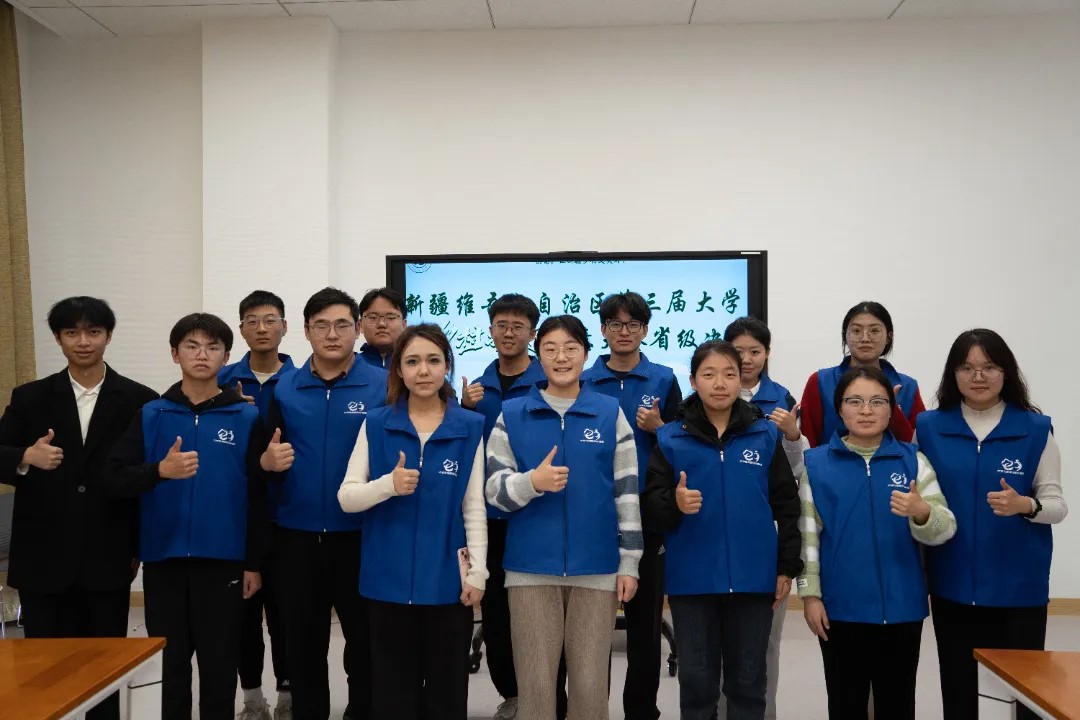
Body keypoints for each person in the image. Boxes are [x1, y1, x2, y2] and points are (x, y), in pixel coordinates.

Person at [0, 296, 157, 720]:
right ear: (58, 338)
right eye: (72, 332)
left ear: (108, 336)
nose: (83, 341)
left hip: (109, 551)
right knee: (43, 670)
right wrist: (25, 456)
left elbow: (147, 477)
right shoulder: (30, 397)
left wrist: (137, 547)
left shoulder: (141, 399)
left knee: (103, 664)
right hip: (43, 555)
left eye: (93, 332)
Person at [107, 313, 268, 720]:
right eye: (192, 346)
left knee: (219, 663)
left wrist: (253, 562)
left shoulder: (246, 417)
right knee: (171, 664)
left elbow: (259, 494)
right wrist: (158, 470)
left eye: (213, 347)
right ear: (174, 353)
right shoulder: (151, 414)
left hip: (225, 560)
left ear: (226, 356)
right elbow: (114, 477)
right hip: (164, 558)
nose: (202, 354)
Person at [486, 314, 641, 720]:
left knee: (590, 689)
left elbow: (627, 494)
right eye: (550, 349)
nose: (561, 357)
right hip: (529, 571)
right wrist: (531, 482)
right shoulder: (512, 413)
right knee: (536, 688)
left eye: (571, 348)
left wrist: (630, 563)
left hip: (597, 569)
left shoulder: (609, 413)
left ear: (586, 354)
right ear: (538, 356)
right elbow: (494, 492)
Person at [641, 340, 801, 720]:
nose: (720, 383)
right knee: (697, 684)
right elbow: (651, 505)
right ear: (693, 380)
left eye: (729, 374)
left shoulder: (764, 435)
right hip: (692, 582)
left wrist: (786, 566)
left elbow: (786, 504)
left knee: (748, 683)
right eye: (709, 374)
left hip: (753, 580)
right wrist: (674, 503)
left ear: (740, 380)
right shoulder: (670, 438)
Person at [916, 329, 1068, 720]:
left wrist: (1025, 505)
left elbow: (1056, 505)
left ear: (1006, 372)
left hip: (1018, 589)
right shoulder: (928, 428)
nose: (978, 377)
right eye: (967, 368)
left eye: (989, 367)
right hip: (951, 585)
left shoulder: (1036, 429)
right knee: (959, 688)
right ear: (953, 374)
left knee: (1022, 694)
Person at [338, 324, 487, 720]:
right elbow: (347, 498)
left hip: (448, 586)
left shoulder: (470, 427)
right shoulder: (376, 423)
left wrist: (478, 573)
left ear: (447, 367)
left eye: (433, 360)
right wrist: (387, 485)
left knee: (446, 695)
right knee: (393, 696)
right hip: (386, 584)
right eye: (413, 361)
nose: (423, 370)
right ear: (399, 371)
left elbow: (474, 507)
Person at [797, 366, 956, 720]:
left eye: (877, 402)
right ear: (840, 409)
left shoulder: (913, 462)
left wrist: (922, 513)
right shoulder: (816, 465)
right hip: (840, 609)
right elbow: (807, 536)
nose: (866, 410)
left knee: (897, 704)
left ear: (891, 409)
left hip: (903, 607)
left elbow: (945, 529)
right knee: (846, 703)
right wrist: (810, 595)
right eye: (854, 401)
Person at [260, 287, 388, 720]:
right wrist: (266, 461)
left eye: (341, 325)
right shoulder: (286, 388)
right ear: (306, 331)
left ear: (357, 328)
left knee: (364, 640)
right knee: (302, 642)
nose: (332, 335)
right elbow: (264, 455)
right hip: (296, 536)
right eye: (321, 326)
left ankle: (362, 712)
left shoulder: (383, 385)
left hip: (363, 534)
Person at [458, 293, 560, 720]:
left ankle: (552, 697)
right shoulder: (476, 389)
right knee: (497, 612)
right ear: (490, 329)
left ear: (532, 334)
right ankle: (513, 695)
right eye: (501, 324)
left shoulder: (549, 381)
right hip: (488, 518)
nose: (509, 332)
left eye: (518, 326)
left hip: (535, 513)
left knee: (543, 612)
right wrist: (463, 410)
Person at [581, 291, 681, 720]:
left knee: (644, 621)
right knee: (592, 626)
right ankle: (592, 708)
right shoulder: (584, 380)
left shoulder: (664, 379)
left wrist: (661, 429)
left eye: (633, 324)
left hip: (647, 510)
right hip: (596, 511)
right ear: (603, 330)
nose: (624, 332)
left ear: (645, 330)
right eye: (615, 324)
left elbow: (683, 444)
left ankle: (642, 710)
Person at [720, 317, 806, 720]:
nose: (747, 359)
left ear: (767, 354)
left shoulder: (782, 399)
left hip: (766, 537)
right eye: (738, 351)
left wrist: (792, 435)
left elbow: (795, 474)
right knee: (718, 645)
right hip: (718, 535)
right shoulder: (706, 395)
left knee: (764, 645)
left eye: (755, 351)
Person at [218, 290, 295, 720]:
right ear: (241, 328)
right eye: (252, 320)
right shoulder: (221, 381)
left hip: (287, 515)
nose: (262, 328)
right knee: (241, 614)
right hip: (237, 516)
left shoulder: (302, 381)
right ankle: (251, 698)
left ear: (285, 327)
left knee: (286, 613)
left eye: (270, 320)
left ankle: (287, 694)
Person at [800, 301, 925, 447]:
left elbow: (917, 445)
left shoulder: (907, 386)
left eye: (874, 331)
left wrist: (892, 411)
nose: (865, 338)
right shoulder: (820, 381)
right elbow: (807, 443)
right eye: (856, 331)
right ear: (845, 336)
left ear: (889, 337)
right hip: (832, 461)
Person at [358, 288, 407, 369]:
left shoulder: (414, 365)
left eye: (390, 317)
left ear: (404, 324)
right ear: (361, 325)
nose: (381, 324)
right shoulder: (349, 366)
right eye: (373, 317)